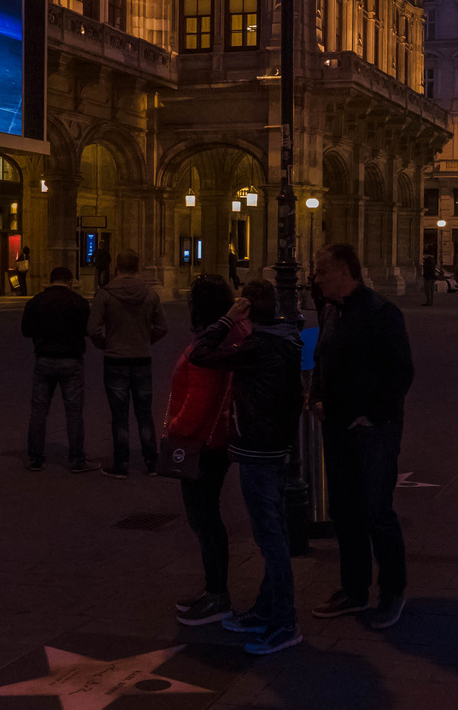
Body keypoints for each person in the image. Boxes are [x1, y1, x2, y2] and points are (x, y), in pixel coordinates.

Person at [187, 280, 305, 655]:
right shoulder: (289, 340)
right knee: (276, 536)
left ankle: (284, 623)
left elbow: (200, 353)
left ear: (248, 308)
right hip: (277, 447)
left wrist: (225, 319)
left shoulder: (257, 346)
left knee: (271, 540)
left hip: (257, 450)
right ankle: (265, 610)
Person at [311, 243, 415, 630]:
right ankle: (354, 590)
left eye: (322, 271)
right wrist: (316, 398)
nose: (317, 279)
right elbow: (322, 359)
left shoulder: (382, 313)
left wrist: (373, 417)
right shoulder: (330, 311)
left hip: (374, 433)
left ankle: (392, 591)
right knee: (344, 511)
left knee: (376, 511)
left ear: (344, 271)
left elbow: (401, 372)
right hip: (336, 427)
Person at [168, 276, 243, 626]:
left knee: (204, 519)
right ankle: (213, 591)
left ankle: (217, 595)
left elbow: (199, 402)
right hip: (217, 441)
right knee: (206, 519)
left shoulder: (208, 346)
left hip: (202, 443)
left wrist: (175, 430)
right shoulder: (230, 336)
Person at [87, 250, 168, 478]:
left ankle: (121, 464)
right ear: (138, 267)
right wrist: (145, 340)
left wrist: (106, 343)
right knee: (144, 412)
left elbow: (92, 328)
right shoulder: (150, 293)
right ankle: (152, 462)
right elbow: (162, 327)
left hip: (115, 358)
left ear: (117, 267)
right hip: (142, 358)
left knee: (119, 414)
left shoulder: (105, 294)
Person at [21, 266, 94, 473]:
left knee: (39, 411)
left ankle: (35, 458)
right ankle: (77, 460)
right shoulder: (79, 302)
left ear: (49, 280)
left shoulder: (36, 302)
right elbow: (87, 330)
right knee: (74, 412)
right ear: (70, 281)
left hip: (44, 359)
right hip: (71, 360)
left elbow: (26, 331)